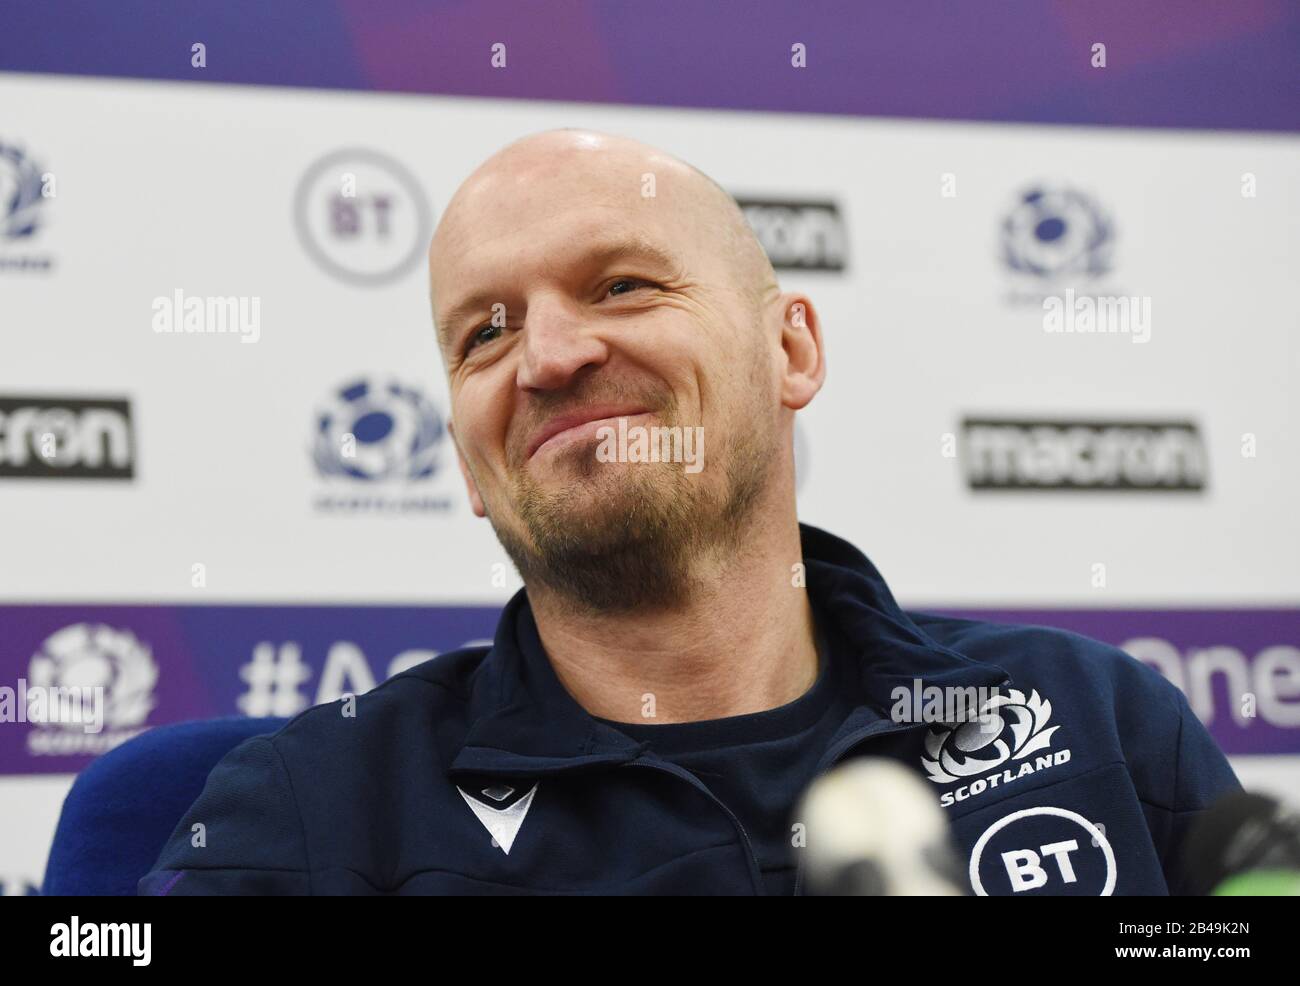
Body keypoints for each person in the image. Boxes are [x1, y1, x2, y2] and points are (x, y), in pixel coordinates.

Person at [140, 130, 1238, 895]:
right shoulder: (311, 810)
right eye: (485, 332)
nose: (552, 355)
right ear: (469, 467)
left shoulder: (1100, 720)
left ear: (790, 349)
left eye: (621, 285)